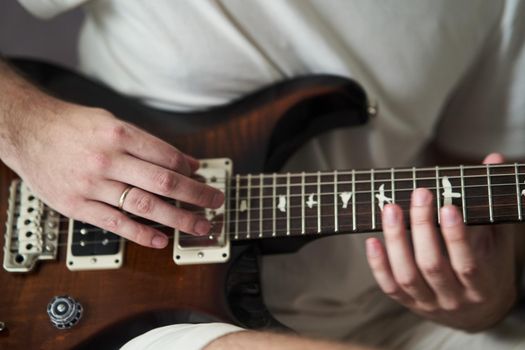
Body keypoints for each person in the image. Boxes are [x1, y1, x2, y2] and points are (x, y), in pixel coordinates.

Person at [2, 1, 524, 349]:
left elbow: (479, 177)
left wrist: (488, 296)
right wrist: (29, 127)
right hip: (149, 311)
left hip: (394, 318)